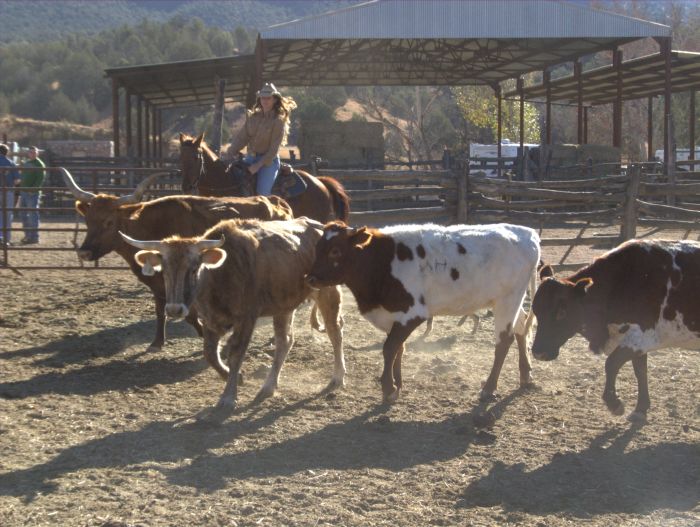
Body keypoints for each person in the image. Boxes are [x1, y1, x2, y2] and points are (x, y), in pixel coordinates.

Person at [227, 82, 297, 195]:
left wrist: (258, 165)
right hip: (249, 158)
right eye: (262, 98)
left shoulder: (278, 121)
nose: (265, 101)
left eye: (268, 98)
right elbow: (241, 138)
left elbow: (274, 150)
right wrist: (230, 152)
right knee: (234, 183)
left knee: (262, 192)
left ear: (274, 100)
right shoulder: (253, 118)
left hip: (268, 162)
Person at [18, 146, 46, 244]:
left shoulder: (39, 164)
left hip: (32, 193)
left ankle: (34, 237)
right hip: (24, 191)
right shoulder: (27, 163)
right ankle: (27, 235)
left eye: (34, 152)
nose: (32, 154)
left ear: (37, 153)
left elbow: (40, 179)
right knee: (23, 214)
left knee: (32, 215)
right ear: (28, 153)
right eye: (30, 152)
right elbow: (23, 175)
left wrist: (33, 190)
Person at [0, 143, 20, 246]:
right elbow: (17, 181)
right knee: (7, 214)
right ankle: (6, 239)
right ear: (6, 152)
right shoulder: (11, 163)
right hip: (8, 191)